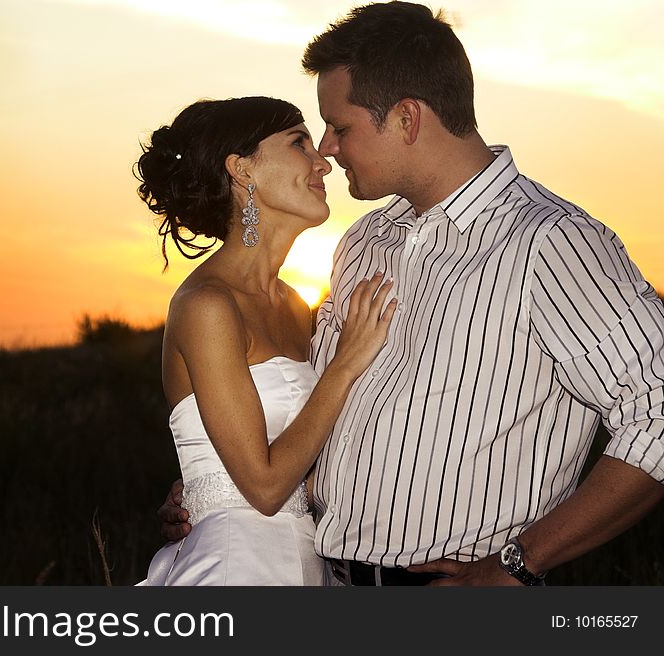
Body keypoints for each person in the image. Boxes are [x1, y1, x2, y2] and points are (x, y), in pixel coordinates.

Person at [159, 2, 664, 586]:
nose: (328, 148)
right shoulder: (364, 242)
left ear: (406, 119)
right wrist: (213, 489)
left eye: (340, 127)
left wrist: (516, 567)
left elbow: (656, 413)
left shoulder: (549, 244)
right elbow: (320, 425)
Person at [134, 96, 397, 585]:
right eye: (298, 142)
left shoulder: (297, 306)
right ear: (241, 170)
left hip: (309, 562)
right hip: (237, 566)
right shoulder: (207, 305)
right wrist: (343, 365)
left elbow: (311, 454)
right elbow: (265, 486)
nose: (323, 161)